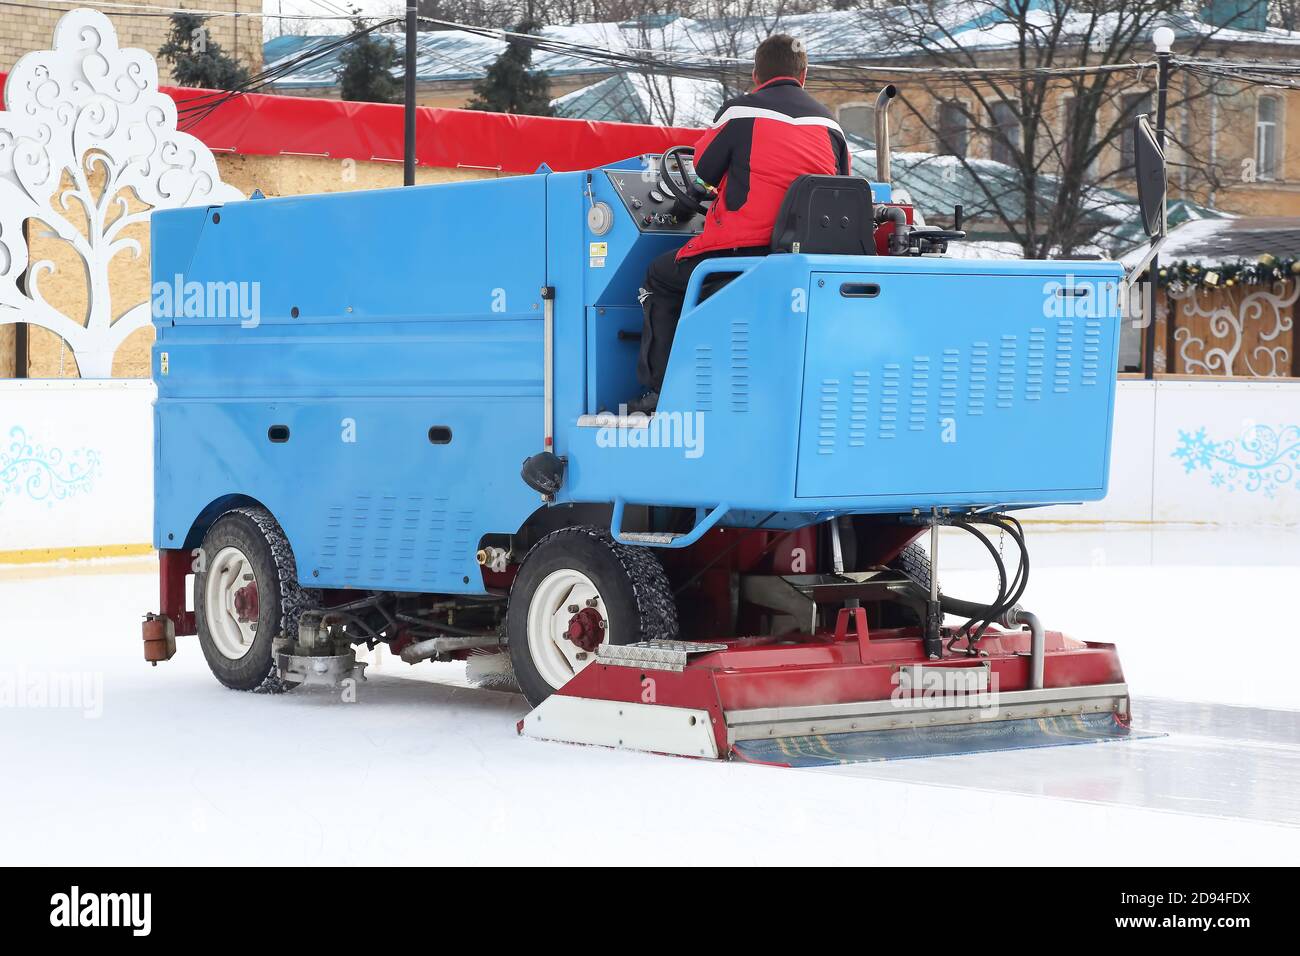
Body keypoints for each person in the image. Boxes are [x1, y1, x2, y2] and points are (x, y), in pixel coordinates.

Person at [627, 33, 851, 415]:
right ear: (804, 74)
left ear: (755, 74)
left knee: (659, 277)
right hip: (802, 265)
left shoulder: (741, 112)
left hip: (739, 255)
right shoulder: (831, 126)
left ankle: (660, 394)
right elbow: (840, 190)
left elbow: (702, 172)